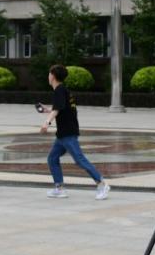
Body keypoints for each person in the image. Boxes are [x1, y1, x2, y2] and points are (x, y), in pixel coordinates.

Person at [38, 64, 110, 200]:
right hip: (63, 134)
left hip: (68, 133)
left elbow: (57, 110)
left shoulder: (59, 90)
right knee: (52, 158)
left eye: (49, 74)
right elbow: (61, 108)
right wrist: (48, 110)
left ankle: (102, 184)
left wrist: (46, 122)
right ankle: (59, 188)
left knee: (79, 159)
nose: (48, 76)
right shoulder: (64, 90)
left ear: (53, 76)